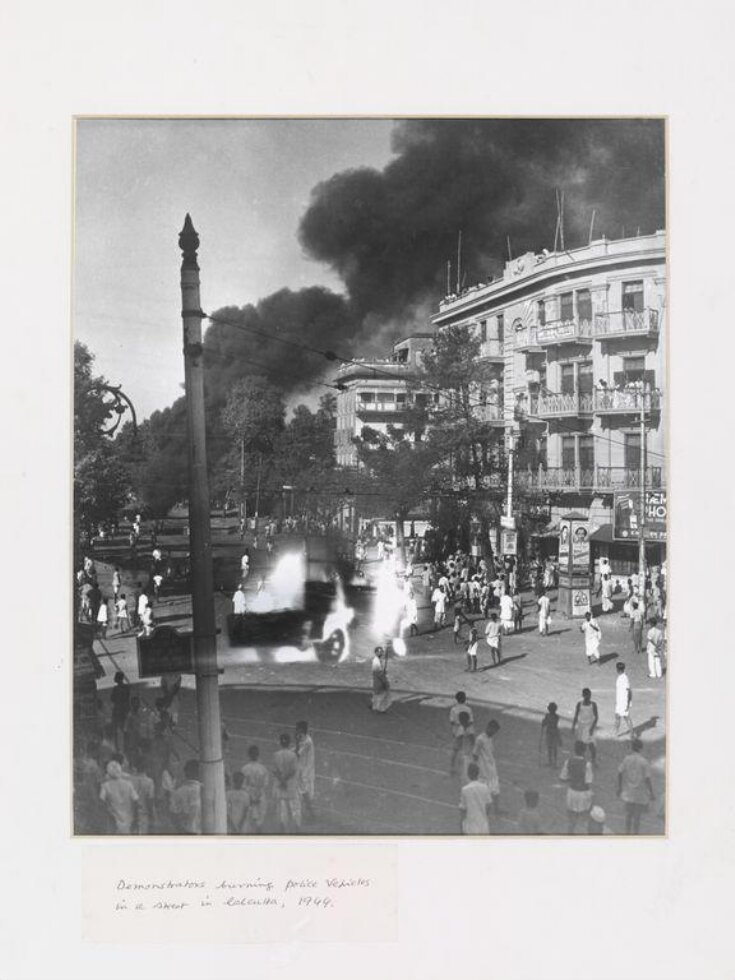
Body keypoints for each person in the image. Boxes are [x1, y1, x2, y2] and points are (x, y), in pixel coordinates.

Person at [617, 739, 655, 834]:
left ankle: (627, 834)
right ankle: (635, 836)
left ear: (632, 747)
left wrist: (620, 787)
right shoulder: (644, 762)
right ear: (641, 748)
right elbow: (647, 779)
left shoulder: (626, 759)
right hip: (640, 794)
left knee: (628, 816)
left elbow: (620, 772)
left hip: (629, 792)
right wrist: (651, 793)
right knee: (637, 818)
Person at [559, 740, 594, 834]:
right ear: (584, 751)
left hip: (572, 792)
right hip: (583, 793)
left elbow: (562, 778)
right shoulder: (587, 764)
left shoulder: (568, 762)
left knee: (571, 821)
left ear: (575, 750)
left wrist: (572, 779)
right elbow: (588, 781)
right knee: (584, 820)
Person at [99, 760, 139, 834]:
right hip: (128, 821)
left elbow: (101, 802)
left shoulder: (105, 786)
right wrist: (136, 820)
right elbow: (136, 801)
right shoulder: (129, 784)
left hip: (112, 823)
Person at [273, 733, 301, 832]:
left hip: (280, 785)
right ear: (289, 743)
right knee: (295, 808)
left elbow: (275, 771)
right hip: (290, 785)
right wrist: (285, 780)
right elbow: (293, 771)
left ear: (280, 742)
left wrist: (281, 780)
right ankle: (296, 828)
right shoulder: (293, 755)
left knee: (282, 808)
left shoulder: (276, 755)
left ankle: (283, 829)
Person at [472, 719, 501, 812]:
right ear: (489, 728)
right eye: (494, 731)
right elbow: (475, 754)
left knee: (495, 790)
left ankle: (496, 809)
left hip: (491, 768)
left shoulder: (490, 738)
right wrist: (476, 767)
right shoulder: (480, 739)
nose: (494, 733)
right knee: (484, 792)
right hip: (483, 770)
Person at [459, 762, 493, 835]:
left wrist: (461, 827)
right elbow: (489, 805)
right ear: (478, 774)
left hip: (471, 826)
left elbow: (463, 810)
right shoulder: (485, 787)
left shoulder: (465, 790)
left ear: (468, 774)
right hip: (483, 825)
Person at [241, 745, 269, 832]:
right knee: (259, 824)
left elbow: (243, 786)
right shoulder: (263, 769)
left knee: (248, 825)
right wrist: (258, 796)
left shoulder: (244, 769)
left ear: (249, 755)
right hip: (260, 797)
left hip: (249, 798)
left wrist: (251, 798)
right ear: (258, 755)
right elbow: (265, 785)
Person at [170, 759, 202, 834]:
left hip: (185, 832)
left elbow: (173, 816)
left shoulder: (178, 792)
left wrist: (181, 831)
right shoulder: (205, 791)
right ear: (199, 772)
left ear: (185, 773)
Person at [449, 691, 474, 775]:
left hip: (457, 732)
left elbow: (452, 722)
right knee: (467, 750)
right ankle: (466, 768)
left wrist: (458, 725)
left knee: (455, 750)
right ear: (465, 698)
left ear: (456, 699)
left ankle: (452, 767)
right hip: (468, 731)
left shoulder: (454, 709)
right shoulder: (468, 709)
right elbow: (471, 722)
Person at [295, 720, 315, 821]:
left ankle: (310, 813)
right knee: (302, 791)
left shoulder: (307, 741)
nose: (295, 730)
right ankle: (308, 813)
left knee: (304, 792)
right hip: (302, 769)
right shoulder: (304, 738)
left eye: (297, 729)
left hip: (306, 771)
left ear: (302, 730)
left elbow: (297, 753)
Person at [571, 688, 599, 764]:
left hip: (589, 726)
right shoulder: (579, 704)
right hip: (581, 726)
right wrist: (573, 726)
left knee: (591, 744)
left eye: (589, 695)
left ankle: (593, 760)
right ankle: (582, 759)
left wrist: (592, 728)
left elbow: (596, 717)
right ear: (583, 695)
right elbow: (576, 716)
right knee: (581, 744)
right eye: (586, 695)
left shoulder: (593, 705)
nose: (588, 697)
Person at [110, 671, 131, 752]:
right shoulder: (126, 688)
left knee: (116, 731)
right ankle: (125, 748)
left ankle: (118, 749)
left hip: (118, 711)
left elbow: (112, 699)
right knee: (124, 731)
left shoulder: (116, 688)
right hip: (124, 711)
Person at [540, 702, 562, 767]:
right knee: (553, 748)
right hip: (554, 732)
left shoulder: (549, 716)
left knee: (550, 747)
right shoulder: (556, 716)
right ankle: (553, 762)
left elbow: (545, 723)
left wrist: (544, 722)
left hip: (550, 732)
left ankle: (551, 762)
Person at [615, 662, 634, 736]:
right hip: (619, 701)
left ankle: (632, 734)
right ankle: (616, 733)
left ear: (617, 669)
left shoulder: (624, 678)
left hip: (624, 702)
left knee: (626, 717)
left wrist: (628, 703)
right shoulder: (620, 677)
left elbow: (629, 691)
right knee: (617, 716)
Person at [371, 647, 391, 713]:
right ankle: (379, 708)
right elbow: (378, 672)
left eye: (381, 652)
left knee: (378, 693)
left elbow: (380, 671)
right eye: (379, 652)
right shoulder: (376, 661)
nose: (381, 653)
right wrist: (384, 679)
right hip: (379, 680)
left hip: (378, 680)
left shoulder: (378, 660)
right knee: (382, 693)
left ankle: (376, 707)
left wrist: (383, 672)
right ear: (376, 652)